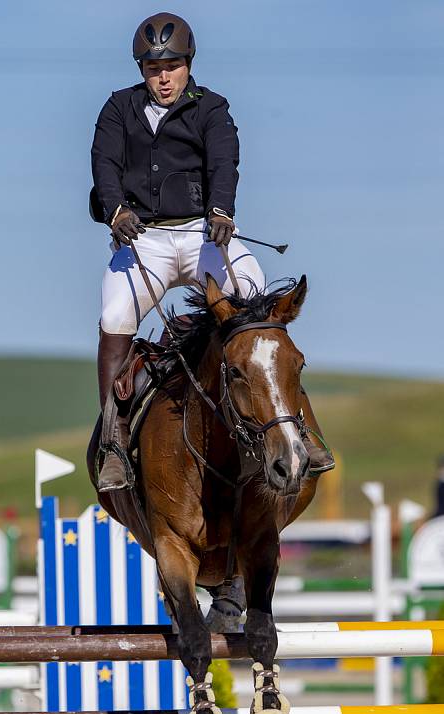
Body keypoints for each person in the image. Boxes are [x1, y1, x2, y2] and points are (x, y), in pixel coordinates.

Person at [90, 12, 334, 491]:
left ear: (188, 63)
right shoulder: (118, 108)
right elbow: (104, 163)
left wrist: (222, 211)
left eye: (172, 66)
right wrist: (117, 210)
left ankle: (304, 424)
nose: (163, 77)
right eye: (153, 68)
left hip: (206, 234)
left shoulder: (213, 108)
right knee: (116, 313)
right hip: (144, 239)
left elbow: (225, 161)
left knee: (261, 301)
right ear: (142, 70)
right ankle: (114, 442)